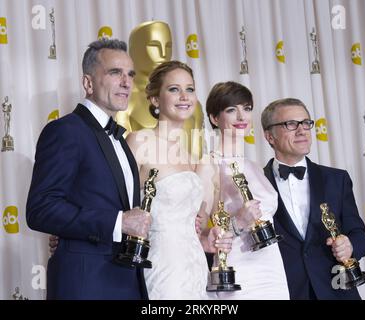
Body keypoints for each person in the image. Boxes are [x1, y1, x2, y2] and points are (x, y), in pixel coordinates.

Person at [26, 38, 151, 300]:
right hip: (86, 284)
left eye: (130, 74)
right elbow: (41, 208)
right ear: (88, 83)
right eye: (115, 72)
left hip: (127, 282)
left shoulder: (120, 140)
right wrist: (117, 222)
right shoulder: (65, 131)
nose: (126, 82)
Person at [126, 60, 232, 300]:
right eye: (174, 89)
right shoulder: (139, 141)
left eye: (190, 89)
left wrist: (207, 236)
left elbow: (198, 222)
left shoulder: (194, 158)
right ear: (155, 99)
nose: (184, 96)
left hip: (195, 266)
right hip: (160, 263)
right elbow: (118, 203)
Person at [261, 97, 365, 299]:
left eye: (306, 123)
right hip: (285, 292)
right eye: (291, 124)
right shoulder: (254, 184)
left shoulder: (337, 179)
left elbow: (359, 235)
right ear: (269, 136)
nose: (302, 130)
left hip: (336, 291)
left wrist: (350, 245)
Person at [197, 81, 290, 299]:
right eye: (231, 110)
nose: (241, 117)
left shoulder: (254, 166)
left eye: (246, 108)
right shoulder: (208, 164)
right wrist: (238, 221)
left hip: (273, 269)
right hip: (238, 270)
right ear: (214, 118)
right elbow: (197, 233)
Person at [115, 20, 204, 159]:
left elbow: (198, 157)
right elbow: (123, 165)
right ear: (134, 50)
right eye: (154, 46)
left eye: (168, 46)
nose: (163, 54)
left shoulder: (193, 106)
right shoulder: (123, 102)